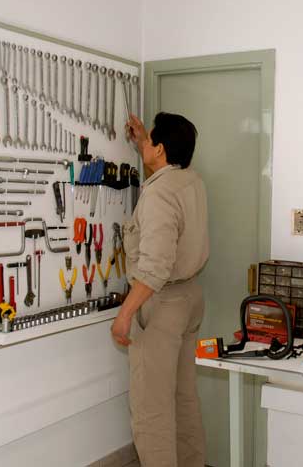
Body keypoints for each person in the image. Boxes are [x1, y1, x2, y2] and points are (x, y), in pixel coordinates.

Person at [111, 112, 209, 467]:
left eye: (151, 140)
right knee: (183, 399)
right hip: (190, 298)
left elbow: (154, 269)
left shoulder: (158, 196)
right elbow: (162, 174)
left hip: (161, 304)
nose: (146, 143)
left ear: (162, 149)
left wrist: (124, 314)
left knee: (152, 410)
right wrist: (143, 142)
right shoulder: (190, 181)